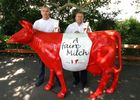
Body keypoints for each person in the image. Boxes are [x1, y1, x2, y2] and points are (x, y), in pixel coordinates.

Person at [33, 5, 59, 87]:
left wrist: (58, 31)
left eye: (47, 11)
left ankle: (58, 79)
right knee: (41, 64)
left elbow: (57, 34)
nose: (45, 12)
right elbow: (33, 35)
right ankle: (40, 79)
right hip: (41, 47)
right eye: (43, 11)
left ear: (49, 12)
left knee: (54, 64)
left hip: (52, 47)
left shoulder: (55, 21)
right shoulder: (37, 23)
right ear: (41, 12)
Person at [65, 11, 92, 89]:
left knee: (83, 65)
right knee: (74, 65)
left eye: (81, 16)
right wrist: (74, 34)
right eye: (78, 16)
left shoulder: (86, 26)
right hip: (73, 49)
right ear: (75, 17)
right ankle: (76, 80)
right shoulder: (70, 26)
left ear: (83, 18)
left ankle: (84, 82)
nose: (80, 18)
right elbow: (65, 36)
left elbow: (92, 37)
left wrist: (88, 33)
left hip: (83, 49)